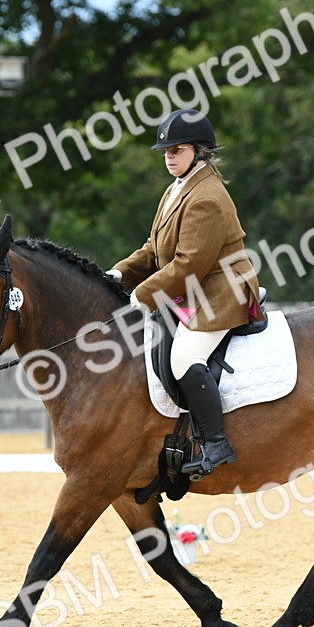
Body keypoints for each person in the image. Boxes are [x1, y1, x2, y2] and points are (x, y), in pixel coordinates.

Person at [108, 108, 262, 478]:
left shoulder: (206, 196)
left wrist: (141, 296)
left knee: (183, 358)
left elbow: (188, 264)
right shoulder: (178, 187)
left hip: (221, 291)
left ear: (199, 150)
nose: (169, 156)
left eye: (176, 149)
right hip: (192, 289)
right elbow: (154, 248)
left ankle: (216, 443)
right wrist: (118, 273)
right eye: (165, 151)